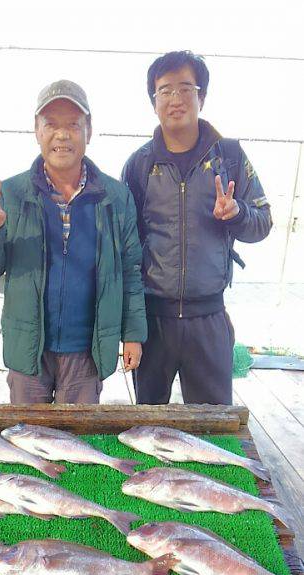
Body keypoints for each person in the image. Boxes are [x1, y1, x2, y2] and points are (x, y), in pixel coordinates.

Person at [0, 79, 147, 404]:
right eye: (51, 124)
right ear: (37, 130)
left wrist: (132, 334)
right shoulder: (10, 193)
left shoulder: (116, 197)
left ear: (88, 132)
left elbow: (132, 270)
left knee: (77, 446)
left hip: (87, 351)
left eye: (73, 125)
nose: (62, 135)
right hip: (28, 351)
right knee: (29, 441)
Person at [122, 51, 272, 405]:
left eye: (185, 89)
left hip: (209, 318)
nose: (176, 100)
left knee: (214, 425)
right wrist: (128, 325)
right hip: (153, 320)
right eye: (165, 91)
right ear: (153, 102)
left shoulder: (230, 157)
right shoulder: (139, 165)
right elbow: (124, 249)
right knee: (148, 425)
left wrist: (236, 214)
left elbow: (263, 222)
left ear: (201, 97)